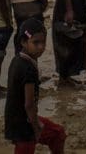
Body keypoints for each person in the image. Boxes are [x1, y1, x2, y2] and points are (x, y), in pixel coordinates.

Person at [5, 18, 66, 154]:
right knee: (57, 134)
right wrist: (36, 127)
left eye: (43, 42)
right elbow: (29, 104)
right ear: (23, 42)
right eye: (35, 43)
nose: (41, 47)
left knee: (58, 133)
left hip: (15, 120)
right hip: (25, 125)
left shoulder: (17, 60)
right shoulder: (29, 68)